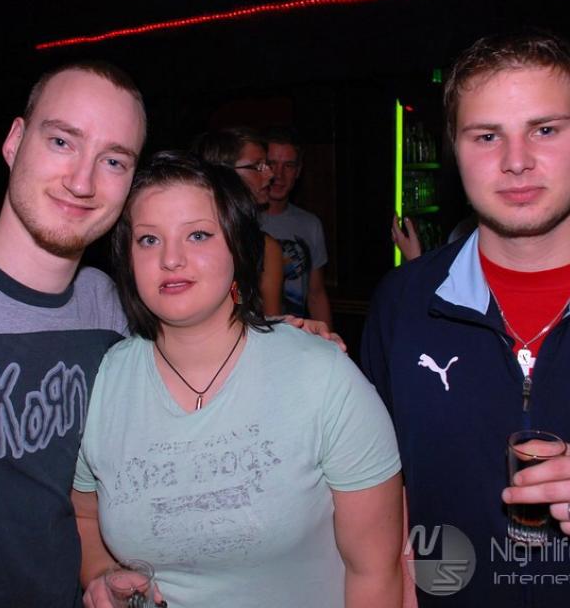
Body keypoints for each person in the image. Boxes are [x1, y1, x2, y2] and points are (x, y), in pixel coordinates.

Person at [73, 151, 403, 608]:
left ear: (239, 247)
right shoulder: (105, 380)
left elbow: (375, 572)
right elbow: (85, 516)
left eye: (198, 235)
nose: (171, 259)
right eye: (149, 239)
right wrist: (101, 574)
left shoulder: (322, 377)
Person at [361, 30, 570, 607]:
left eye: (546, 129)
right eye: (486, 136)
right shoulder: (402, 303)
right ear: (454, 149)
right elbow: (379, 481)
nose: (517, 161)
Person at [0, 61, 147, 607]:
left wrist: (282, 341)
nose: (82, 182)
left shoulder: (110, 307)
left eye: (113, 160)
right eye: (61, 141)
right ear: (14, 142)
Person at [191, 127, 284, 316]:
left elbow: (272, 324)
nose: (270, 175)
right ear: (224, 173)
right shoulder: (183, 238)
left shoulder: (265, 249)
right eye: (258, 166)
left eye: (266, 165)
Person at [263, 126, 333, 327]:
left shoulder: (310, 224)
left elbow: (316, 294)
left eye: (288, 166)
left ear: (298, 171)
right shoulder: (241, 221)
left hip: (296, 336)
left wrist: (328, 341)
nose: (279, 175)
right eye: (272, 164)